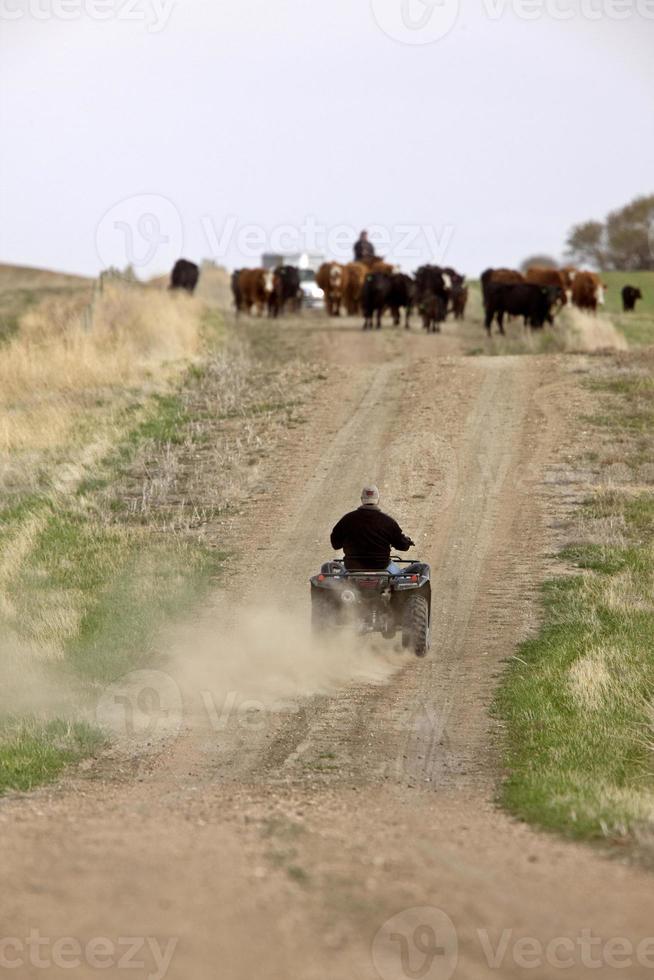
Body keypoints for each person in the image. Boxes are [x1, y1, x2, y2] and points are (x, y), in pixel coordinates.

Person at [330, 485, 414, 573]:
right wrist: (406, 542)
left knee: (330, 574)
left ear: (362, 499)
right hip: (382, 568)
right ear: (378, 499)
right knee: (402, 575)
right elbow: (402, 546)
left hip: (351, 568)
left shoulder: (347, 520)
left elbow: (335, 544)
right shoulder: (388, 522)